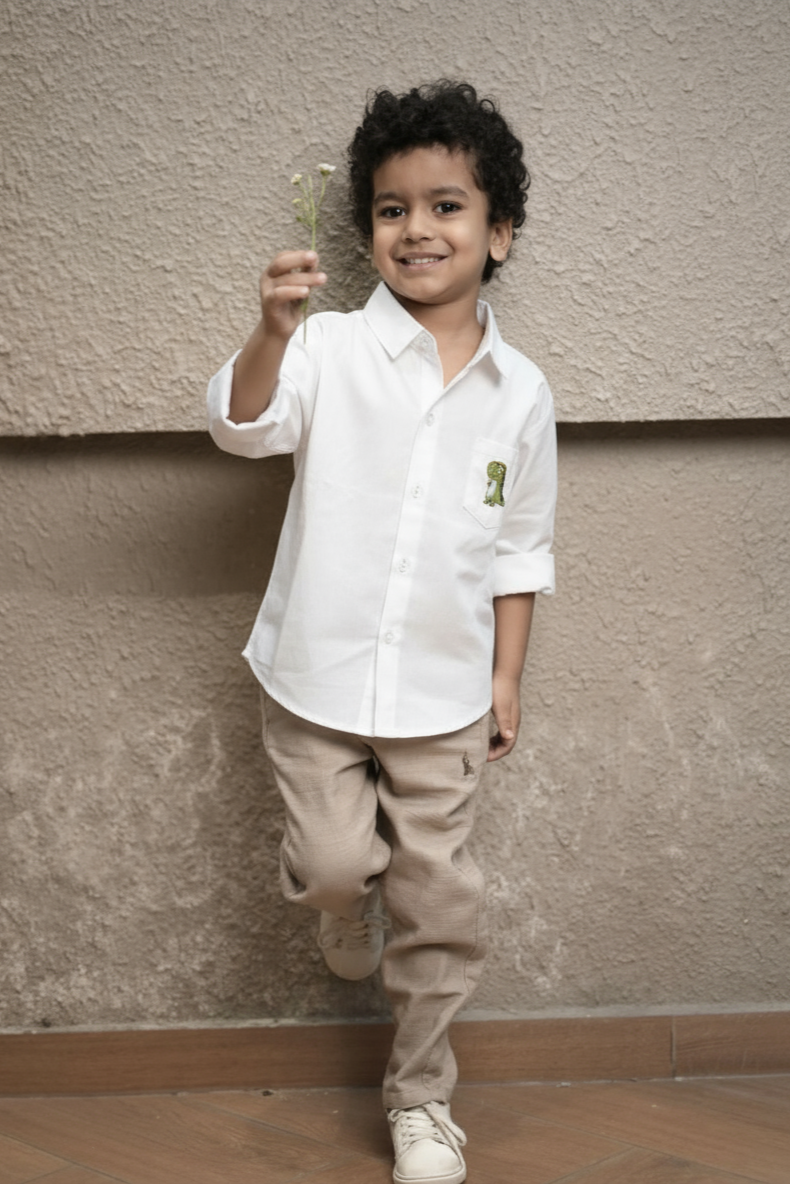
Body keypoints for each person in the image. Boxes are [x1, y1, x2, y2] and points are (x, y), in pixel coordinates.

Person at [207, 80, 557, 1184]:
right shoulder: (328, 351)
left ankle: (421, 1102)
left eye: (447, 206)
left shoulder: (522, 394)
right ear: (366, 230)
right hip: (313, 680)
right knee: (329, 864)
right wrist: (269, 331)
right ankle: (338, 905)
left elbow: (519, 550)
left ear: (498, 231)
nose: (419, 229)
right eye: (392, 208)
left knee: (440, 903)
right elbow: (243, 426)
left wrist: (504, 678)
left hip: (445, 695)